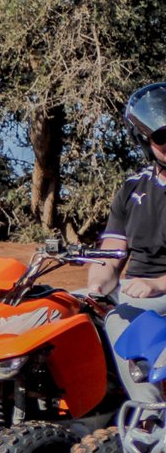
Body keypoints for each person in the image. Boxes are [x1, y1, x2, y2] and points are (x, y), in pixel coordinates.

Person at [86, 83, 166, 344]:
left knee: (122, 325)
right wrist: (97, 286)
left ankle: (143, 385)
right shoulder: (132, 189)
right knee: (61, 310)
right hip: (133, 292)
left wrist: (157, 285)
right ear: (144, 139)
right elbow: (110, 256)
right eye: (161, 137)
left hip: (157, 293)